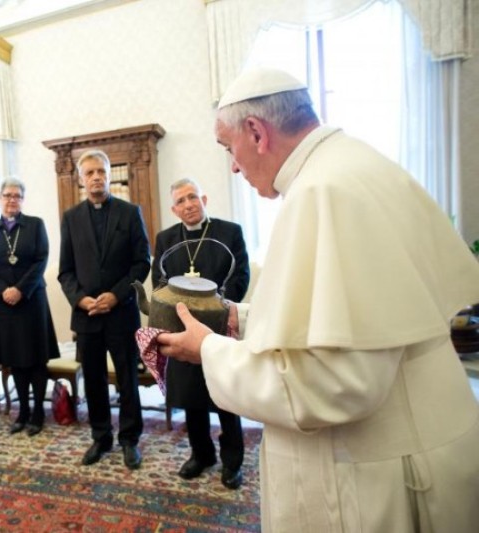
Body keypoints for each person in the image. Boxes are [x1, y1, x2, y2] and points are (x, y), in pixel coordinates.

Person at [156, 67, 479, 532]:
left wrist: (206, 349)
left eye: (229, 149)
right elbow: (333, 322)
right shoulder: (355, 164)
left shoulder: (320, 191)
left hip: (380, 477)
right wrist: (241, 319)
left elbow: (331, 383)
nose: (232, 165)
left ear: (256, 132)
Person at [152, 178, 250, 488]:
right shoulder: (167, 238)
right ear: (174, 208)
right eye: (180, 201)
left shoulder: (229, 232)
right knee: (191, 395)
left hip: (219, 327)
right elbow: (159, 281)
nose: (188, 204)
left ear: (203, 198)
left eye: (192, 197)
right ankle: (201, 454)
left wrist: (217, 310)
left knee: (225, 397)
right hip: (182, 327)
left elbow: (240, 275)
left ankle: (232, 460)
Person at [58, 149, 151, 470]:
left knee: (127, 379)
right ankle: (101, 437)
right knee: (94, 380)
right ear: (81, 179)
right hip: (86, 316)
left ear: (110, 175)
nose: (96, 177)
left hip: (121, 312)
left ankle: (129, 440)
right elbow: (65, 272)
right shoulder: (70, 219)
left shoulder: (130, 212)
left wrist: (116, 295)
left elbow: (142, 263)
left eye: (101, 171)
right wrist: (81, 299)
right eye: (90, 173)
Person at [0, 178, 60, 437]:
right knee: (14, 361)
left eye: (17, 195)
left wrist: (20, 290)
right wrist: (4, 291)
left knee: (35, 360)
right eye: (7, 195)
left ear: (23, 199)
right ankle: (22, 411)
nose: (12, 199)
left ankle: (37, 413)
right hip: (3, 307)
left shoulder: (35, 225)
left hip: (32, 301)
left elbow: (41, 259)